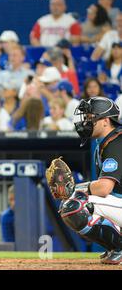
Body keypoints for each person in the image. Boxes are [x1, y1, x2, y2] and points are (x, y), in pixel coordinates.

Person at [53, 96, 122, 264]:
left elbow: (104, 188)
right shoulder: (106, 142)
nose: (87, 122)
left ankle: (119, 247)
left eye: (92, 118)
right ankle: (115, 247)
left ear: (105, 121)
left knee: (76, 205)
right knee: (74, 202)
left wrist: (75, 188)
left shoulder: (116, 142)